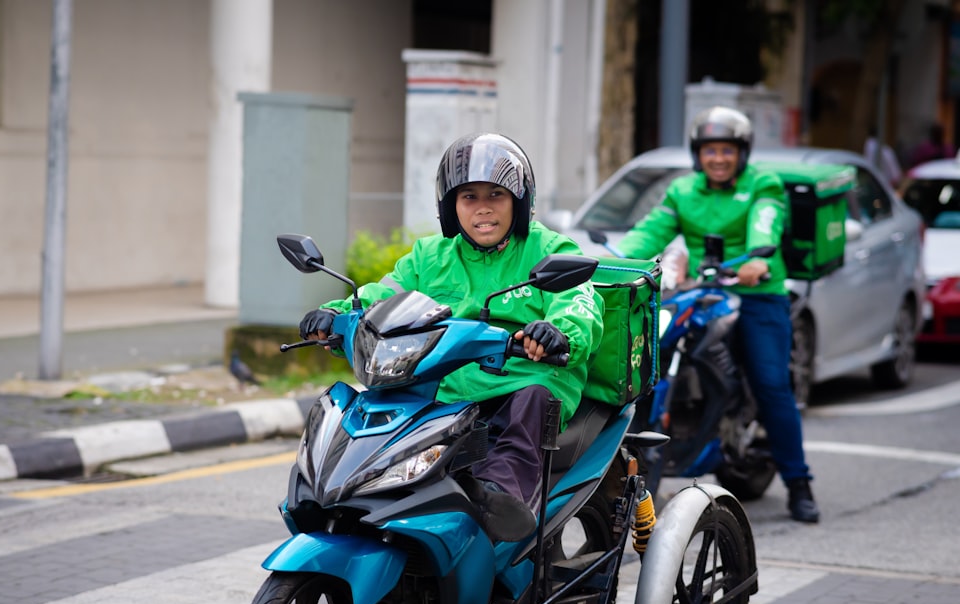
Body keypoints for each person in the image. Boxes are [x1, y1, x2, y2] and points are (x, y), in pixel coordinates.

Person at [298, 132, 603, 541]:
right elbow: (380, 296)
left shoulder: (547, 248)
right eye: (469, 197)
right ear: (450, 206)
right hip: (448, 384)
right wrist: (336, 316)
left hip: (524, 379)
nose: (483, 208)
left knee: (530, 402)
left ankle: (501, 497)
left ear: (519, 202)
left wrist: (557, 333)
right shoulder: (429, 256)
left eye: (496, 195)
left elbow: (578, 302)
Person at [616, 106, 820, 523]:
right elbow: (650, 232)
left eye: (728, 150)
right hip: (705, 292)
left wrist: (757, 261)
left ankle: (799, 484)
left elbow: (765, 223)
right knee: (653, 354)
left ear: (742, 152)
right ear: (698, 154)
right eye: (710, 150)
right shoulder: (683, 191)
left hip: (758, 292)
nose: (719, 158)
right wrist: (613, 262)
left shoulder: (763, 184)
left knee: (771, 384)